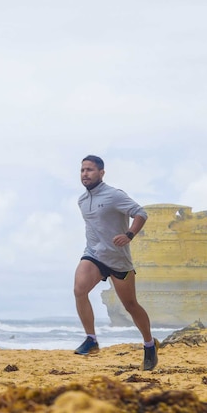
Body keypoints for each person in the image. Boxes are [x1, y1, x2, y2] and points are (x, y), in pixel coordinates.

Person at [73, 155, 158, 371]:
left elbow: (140, 213)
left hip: (118, 259)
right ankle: (91, 339)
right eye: (83, 170)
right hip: (94, 254)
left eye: (90, 170)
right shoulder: (82, 201)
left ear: (101, 173)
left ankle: (149, 345)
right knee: (79, 290)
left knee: (130, 305)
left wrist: (129, 235)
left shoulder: (113, 195)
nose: (85, 174)